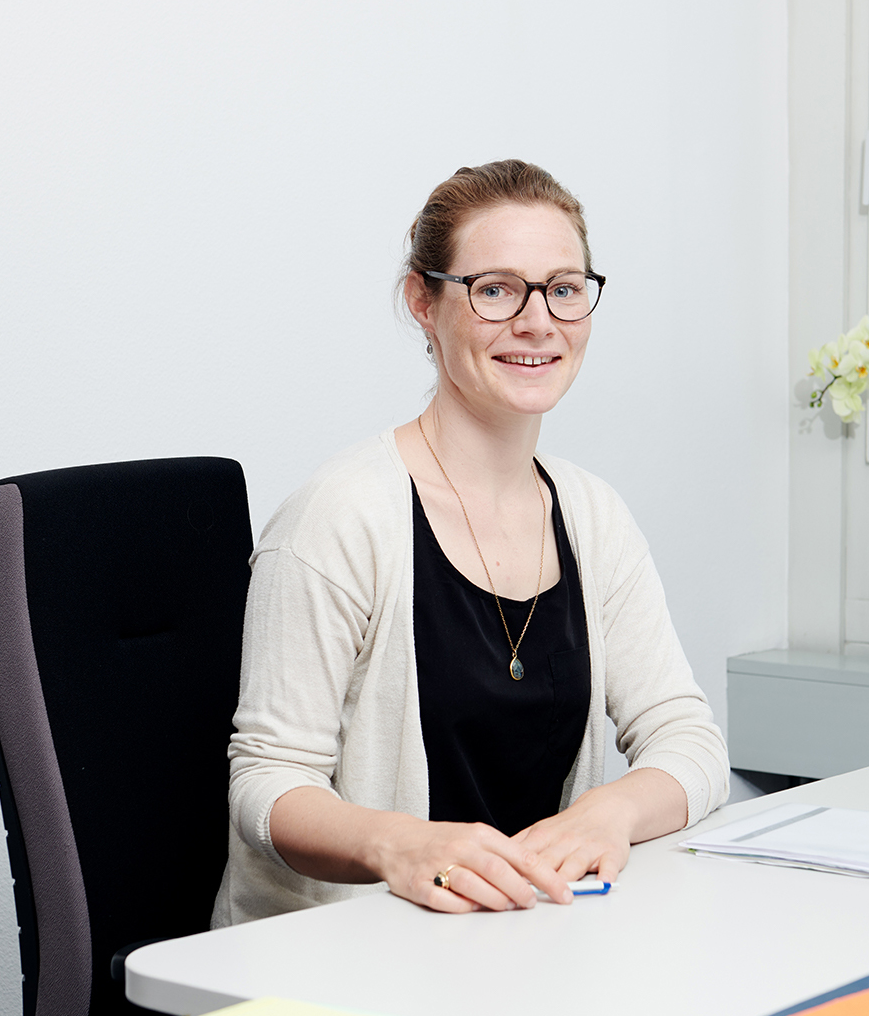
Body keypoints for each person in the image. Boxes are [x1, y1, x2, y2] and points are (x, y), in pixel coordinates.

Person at [213, 160, 729, 925]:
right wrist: (399, 846)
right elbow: (267, 781)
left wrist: (610, 812)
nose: (538, 321)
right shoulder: (340, 516)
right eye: (495, 290)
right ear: (423, 302)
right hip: (346, 953)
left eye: (563, 288)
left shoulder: (593, 515)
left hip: (523, 940)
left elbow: (689, 741)